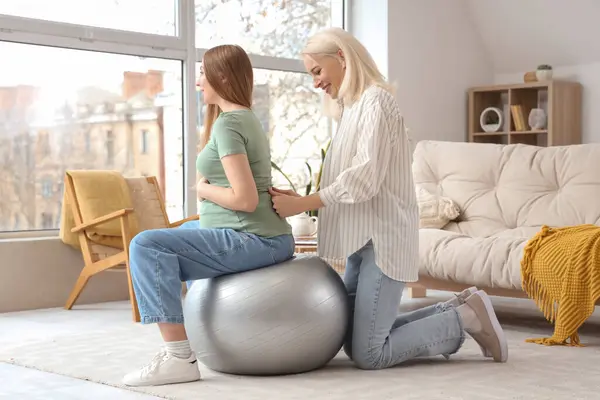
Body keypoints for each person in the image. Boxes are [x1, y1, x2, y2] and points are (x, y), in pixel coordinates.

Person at [269, 27, 508, 370]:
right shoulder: (351, 109)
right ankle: (461, 310)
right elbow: (346, 177)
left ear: (341, 57)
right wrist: (302, 198)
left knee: (369, 353)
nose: (316, 83)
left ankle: (463, 320)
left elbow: (364, 178)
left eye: (317, 71)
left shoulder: (376, 102)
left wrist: (304, 204)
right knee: (353, 340)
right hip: (361, 238)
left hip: (383, 239)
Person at [123, 44, 295, 387]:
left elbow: (244, 199)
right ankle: (185, 348)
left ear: (222, 76)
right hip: (261, 235)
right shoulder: (245, 118)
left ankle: (178, 358)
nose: (199, 82)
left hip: (253, 238)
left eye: (202, 73)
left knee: (145, 246)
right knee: (174, 239)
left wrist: (201, 189)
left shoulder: (228, 125)